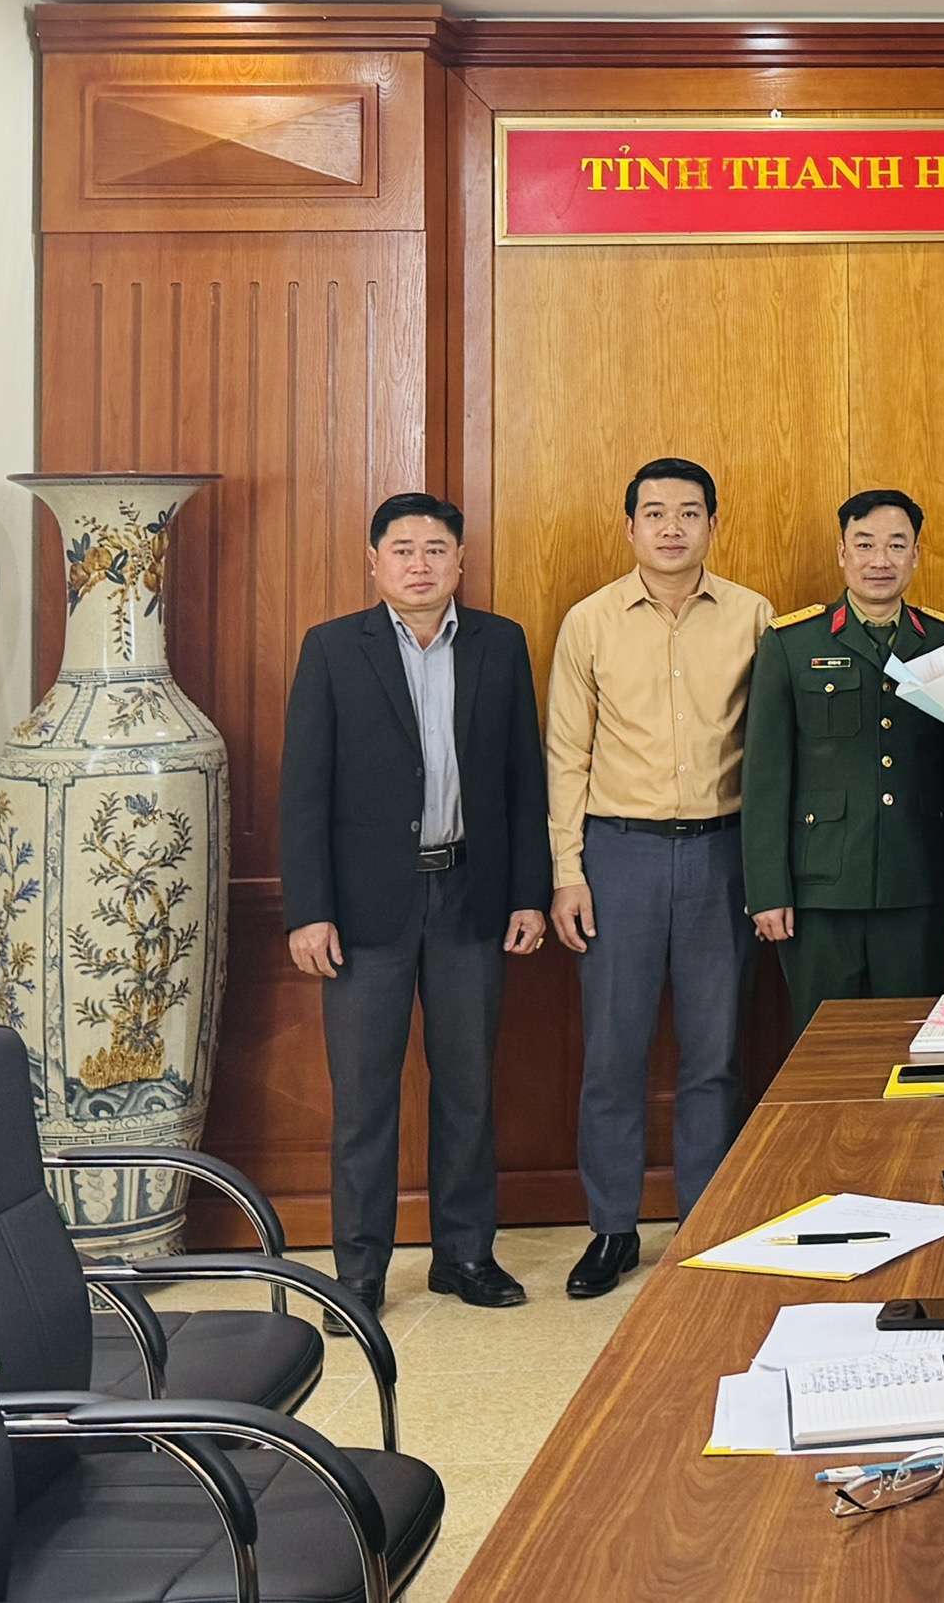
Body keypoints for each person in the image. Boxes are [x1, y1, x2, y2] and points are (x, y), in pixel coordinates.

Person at [280, 492, 549, 1316]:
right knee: (364, 1099)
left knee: (469, 1087)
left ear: (460, 561)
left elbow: (524, 779)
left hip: (471, 893)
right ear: (375, 562)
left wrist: (529, 894)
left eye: (436, 549)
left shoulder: (501, 643)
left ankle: (465, 1255)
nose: (420, 564)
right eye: (403, 549)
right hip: (365, 911)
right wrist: (309, 909)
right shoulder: (332, 649)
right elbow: (303, 791)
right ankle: (358, 1271)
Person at [545, 458, 774, 1302]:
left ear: (714, 523)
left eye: (688, 512)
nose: (671, 527)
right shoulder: (590, 621)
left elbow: (773, 751)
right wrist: (567, 873)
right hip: (620, 854)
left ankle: (704, 1224)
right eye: (654, 513)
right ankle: (611, 1227)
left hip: (723, 851)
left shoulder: (753, 615)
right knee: (614, 1052)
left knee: (715, 1053)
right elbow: (565, 755)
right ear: (630, 526)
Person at [744, 490, 944, 1033]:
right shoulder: (792, 644)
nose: (880, 560)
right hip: (820, 887)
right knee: (823, 1046)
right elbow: (766, 777)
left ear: (916, 555)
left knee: (913, 1042)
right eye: (865, 544)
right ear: (841, 552)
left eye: (896, 545)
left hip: (918, 881)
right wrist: (768, 891)